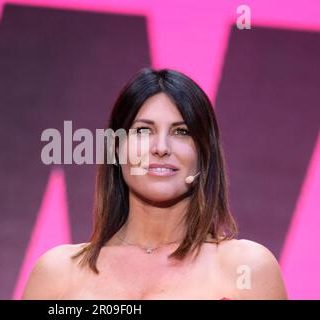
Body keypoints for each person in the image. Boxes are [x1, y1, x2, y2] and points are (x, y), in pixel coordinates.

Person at [22, 68, 287, 300]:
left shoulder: (247, 269)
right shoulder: (57, 274)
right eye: (143, 131)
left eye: (181, 132)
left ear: (204, 154)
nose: (160, 148)